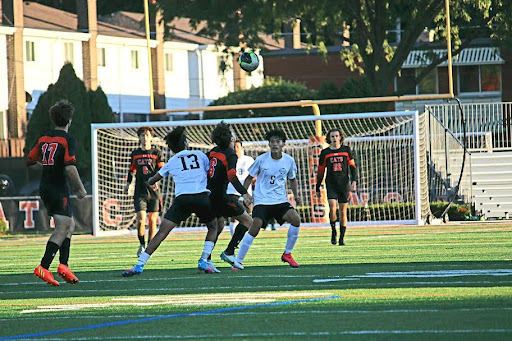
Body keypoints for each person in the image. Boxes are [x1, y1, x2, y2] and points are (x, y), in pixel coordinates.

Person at [122, 126, 218, 276]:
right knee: (213, 227)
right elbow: (209, 172)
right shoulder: (200, 154)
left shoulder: (172, 161)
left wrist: (152, 182)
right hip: (201, 197)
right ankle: (203, 259)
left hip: (182, 199)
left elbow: (154, 179)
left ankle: (140, 265)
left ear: (172, 148)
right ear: (186, 143)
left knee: (161, 233)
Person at [27, 100, 87, 286]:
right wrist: (80, 188)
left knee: (70, 225)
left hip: (47, 185)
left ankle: (64, 266)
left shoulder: (44, 138)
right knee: (63, 227)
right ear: (69, 119)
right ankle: (44, 267)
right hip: (57, 187)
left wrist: (46, 167)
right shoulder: (67, 139)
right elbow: (70, 168)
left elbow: (30, 160)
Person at [233, 129, 301, 270]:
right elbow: (248, 178)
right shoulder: (261, 159)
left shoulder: (289, 160)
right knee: (255, 226)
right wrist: (243, 195)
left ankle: (287, 254)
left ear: (283, 144)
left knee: (295, 219)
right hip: (262, 201)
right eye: (272, 141)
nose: (275, 144)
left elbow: (292, 179)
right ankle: (238, 260)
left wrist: (296, 194)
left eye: (278, 141)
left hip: (280, 200)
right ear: (269, 144)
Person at [206, 122, 253, 272]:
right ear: (230, 139)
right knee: (248, 221)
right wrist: (244, 193)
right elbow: (232, 176)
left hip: (209, 195)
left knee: (217, 227)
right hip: (221, 197)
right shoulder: (230, 154)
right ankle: (229, 251)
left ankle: (205, 259)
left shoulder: (213, 151)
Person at [124, 127, 164, 257]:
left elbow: (162, 170)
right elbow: (132, 171)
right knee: (141, 219)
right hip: (140, 191)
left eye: (147, 135)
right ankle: (141, 245)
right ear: (139, 138)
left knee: (152, 220)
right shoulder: (135, 153)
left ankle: (149, 246)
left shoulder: (157, 153)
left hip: (153, 192)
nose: (144, 138)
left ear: (151, 137)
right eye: (142, 135)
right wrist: (128, 185)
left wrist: (156, 181)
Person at [315, 128, 357, 246]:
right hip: (331, 183)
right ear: (329, 138)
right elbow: (321, 171)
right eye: (332, 136)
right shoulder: (325, 152)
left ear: (340, 137)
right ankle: (333, 231)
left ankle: (342, 238)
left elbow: (353, 167)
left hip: (344, 184)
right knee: (332, 207)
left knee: (343, 211)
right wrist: (317, 186)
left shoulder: (346, 150)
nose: (334, 138)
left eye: (336, 136)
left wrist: (354, 181)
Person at [226, 140, 254, 236]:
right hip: (232, 192)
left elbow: (254, 175)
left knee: (248, 217)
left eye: (237, 146)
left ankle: (241, 238)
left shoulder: (249, 160)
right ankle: (234, 238)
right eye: (234, 147)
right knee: (235, 217)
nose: (235, 149)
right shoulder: (229, 160)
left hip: (246, 193)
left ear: (242, 148)